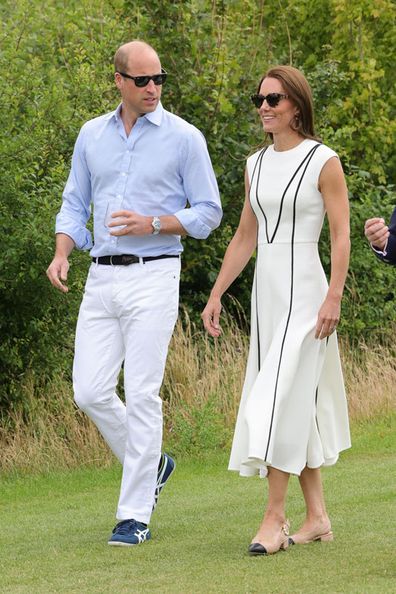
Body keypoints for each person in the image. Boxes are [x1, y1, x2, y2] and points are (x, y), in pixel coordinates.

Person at [47, 40, 222, 547]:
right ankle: (154, 464)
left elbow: (208, 213)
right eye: (142, 80)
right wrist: (62, 252)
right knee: (90, 390)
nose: (153, 89)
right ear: (119, 80)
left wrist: (153, 223)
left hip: (155, 274)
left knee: (143, 392)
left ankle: (133, 514)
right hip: (100, 277)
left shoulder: (185, 138)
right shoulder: (90, 136)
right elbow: (73, 204)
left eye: (159, 79)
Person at [202, 65, 351, 555]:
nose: (264, 106)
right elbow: (246, 236)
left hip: (309, 297)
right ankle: (318, 518)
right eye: (259, 98)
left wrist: (334, 296)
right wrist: (217, 292)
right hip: (267, 299)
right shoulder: (255, 165)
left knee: (274, 397)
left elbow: (340, 234)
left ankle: (274, 518)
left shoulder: (323, 160)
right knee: (293, 404)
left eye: (274, 99)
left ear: (296, 106)